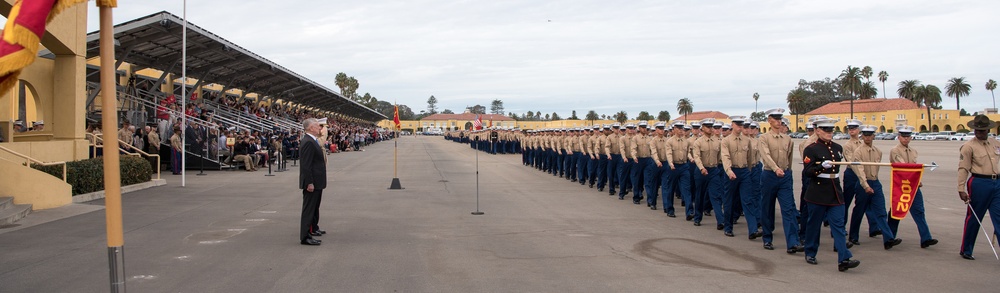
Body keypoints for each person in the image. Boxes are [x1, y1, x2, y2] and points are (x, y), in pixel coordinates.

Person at [802, 117, 860, 272]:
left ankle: (844, 258)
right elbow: (808, 172)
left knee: (839, 226)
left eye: (831, 130)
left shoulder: (837, 147)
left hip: (835, 190)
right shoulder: (811, 149)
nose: (829, 133)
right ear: (818, 130)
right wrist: (821, 167)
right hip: (818, 192)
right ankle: (810, 252)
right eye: (825, 130)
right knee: (814, 225)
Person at [847, 125, 903, 249]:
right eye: (865, 135)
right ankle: (853, 236)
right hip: (863, 183)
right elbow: (859, 170)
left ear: (873, 136)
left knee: (881, 211)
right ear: (862, 136)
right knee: (859, 210)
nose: (867, 137)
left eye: (869, 135)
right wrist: (865, 185)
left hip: (875, 182)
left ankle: (888, 239)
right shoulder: (858, 151)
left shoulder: (878, 151)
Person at [758, 109, 803, 253]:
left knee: (788, 209)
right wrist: (775, 168)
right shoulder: (764, 138)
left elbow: (789, 158)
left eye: (780, 119)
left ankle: (793, 243)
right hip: (770, 175)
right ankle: (767, 238)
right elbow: (765, 155)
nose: (779, 121)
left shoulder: (787, 139)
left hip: (784, 176)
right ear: (769, 120)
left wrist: (787, 171)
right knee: (767, 207)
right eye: (776, 119)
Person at [957, 115, 1000, 260]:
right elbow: (963, 168)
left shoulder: (995, 143)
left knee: (998, 218)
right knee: (974, 218)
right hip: (979, 183)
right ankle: (966, 249)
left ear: (988, 129)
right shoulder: (969, 147)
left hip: (997, 183)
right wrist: (961, 188)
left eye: (982, 130)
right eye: (976, 130)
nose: (978, 133)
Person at [888, 125, 938, 248]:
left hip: (913, 186)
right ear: (899, 137)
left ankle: (926, 238)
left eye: (908, 136)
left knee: (919, 212)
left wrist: (917, 180)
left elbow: (915, 170)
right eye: (903, 136)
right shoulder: (895, 151)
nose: (906, 139)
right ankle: (889, 238)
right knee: (896, 212)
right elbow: (903, 168)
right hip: (902, 186)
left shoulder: (913, 151)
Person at [721, 116, 760, 239]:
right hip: (731, 172)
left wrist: (748, 170)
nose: (739, 127)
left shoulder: (746, 140)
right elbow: (725, 157)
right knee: (729, 201)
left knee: (747, 200)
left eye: (741, 125)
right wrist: (729, 170)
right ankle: (728, 227)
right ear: (732, 125)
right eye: (737, 125)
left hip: (744, 172)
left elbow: (749, 158)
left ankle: (753, 230)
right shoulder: (726, 141)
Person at [299, 118, 328, 246]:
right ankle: (305, 236)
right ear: (310, 128)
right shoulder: (308, 142)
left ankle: (312, 229)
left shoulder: (312, 140)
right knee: (308, 209)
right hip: (312, 181)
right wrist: (309, 182)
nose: (319, 128)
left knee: (314, 207)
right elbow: (306, 165)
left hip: (317, 180)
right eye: (317, 126)